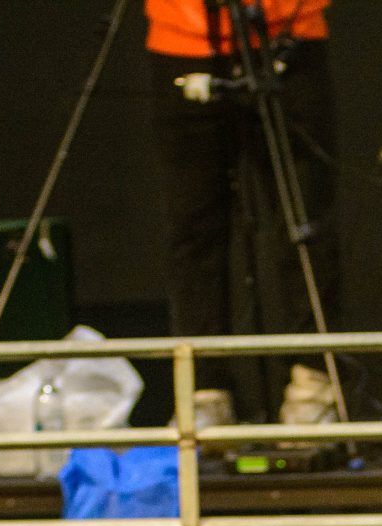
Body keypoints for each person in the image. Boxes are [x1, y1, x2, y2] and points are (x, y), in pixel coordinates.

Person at [145, 0, 340, 418]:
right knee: (192, 228)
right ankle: (205, 389)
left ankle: (314, 383)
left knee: (302, 217)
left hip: (289, 35)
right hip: (182, 41)